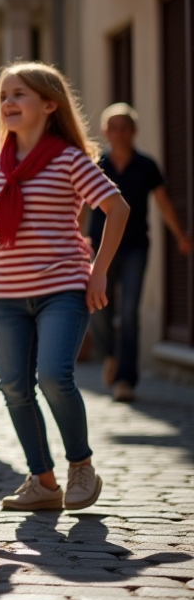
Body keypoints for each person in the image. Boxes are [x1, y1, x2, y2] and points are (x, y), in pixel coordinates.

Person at [0, 62, 129, 513]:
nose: (9, 103)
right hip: (8, 292)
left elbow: (117, 208)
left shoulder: (69, 159)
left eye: (20, 94)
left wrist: (99, 270)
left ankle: (81, 465)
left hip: (64, 287)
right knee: (15, 386)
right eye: (4, 96)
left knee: (54, 376)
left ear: (50, 105)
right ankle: (43, 481)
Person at [89, 103, 192, 402]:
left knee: (130, 312)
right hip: (100, 248)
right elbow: (82, 205)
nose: (119, 133)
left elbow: (163, 202)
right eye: (114, 127)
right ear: (104, 131)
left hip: (135, 247)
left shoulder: (147, 165)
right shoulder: (96, 164)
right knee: (99, 310)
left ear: (133, 131)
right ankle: (110, 353)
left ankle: (125, 380)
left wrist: (180, 235)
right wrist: (78, 237)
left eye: (125, 127)